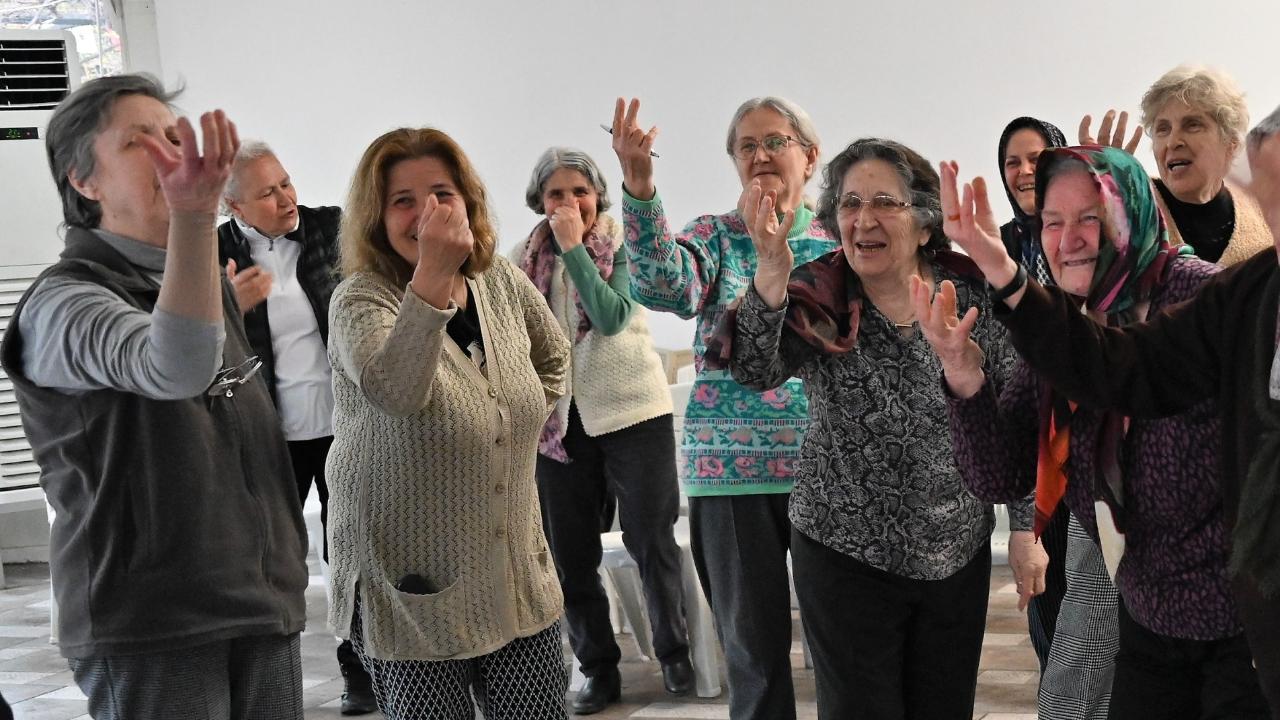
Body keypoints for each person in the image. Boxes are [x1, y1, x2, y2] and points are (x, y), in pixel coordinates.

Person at [930, 104, 1280, 716]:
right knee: (1065, 694)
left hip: (1245, 627)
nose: (1069, 240)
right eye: (1052, 220)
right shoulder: (1056, 327)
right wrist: (963, 374)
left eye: (1090, 218)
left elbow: (1124, 366)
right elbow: (1000, 474)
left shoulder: (1199, 295)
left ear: (1130, 215)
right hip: (1144, 610)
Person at [0, 74, 309, 719]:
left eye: (175, 136)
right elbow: (175, 369)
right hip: (153, 623)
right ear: (83, 181)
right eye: (142, 143)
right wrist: (196, 216)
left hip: (258, 600)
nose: (173, 154)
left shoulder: (201, 280)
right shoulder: (64, 301)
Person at [716, 137, 1024, 720]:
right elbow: (754, 370)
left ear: (927, 224)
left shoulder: (973, 295)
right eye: (850, 204)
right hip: (842, 548)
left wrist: (1028, 530)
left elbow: (1015, 413)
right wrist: (771, 271)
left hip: (954, 548)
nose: (863, 219)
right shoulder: (817, 294)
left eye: (885, 202)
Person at [325, 127, 571, 720]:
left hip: (512, 565)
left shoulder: (500, 281)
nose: (425, 213)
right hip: (407, 578)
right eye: (402, 200)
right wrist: (431, 277)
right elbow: (396, 391)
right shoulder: (361, 301)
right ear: (375, 217)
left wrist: (507, 417)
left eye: (442, 193)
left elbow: (555, 356)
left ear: (468, 200)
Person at [611, 96, 837, 720]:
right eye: (747, 146)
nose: (761, 155)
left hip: (829, 470)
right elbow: (661, 286)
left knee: (844, 647)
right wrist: (639, 186)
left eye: (776, 141)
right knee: (753, 652)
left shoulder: (837, 240)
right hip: (729, 475)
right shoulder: (715, 235)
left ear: (809, 155)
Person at [512, 147, 691, 714]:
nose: (569, 203)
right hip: (558, 426)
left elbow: (611, 317)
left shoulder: (624, 244)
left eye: (579, 191)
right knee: (570, 554)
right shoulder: (521, 261)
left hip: (633, 413)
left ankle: (674, 650)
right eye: (556, 194)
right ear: (539, 201)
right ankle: (598, 668)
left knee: (649, 538)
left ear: (598, 195)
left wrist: (574, 250)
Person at [216, 143, 375, 715]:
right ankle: (261, 679)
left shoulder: (335, 230)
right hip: (266, 433)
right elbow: (193, 343)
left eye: (286, 183)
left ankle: (363, 672)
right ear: (232, 202)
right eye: (267, 192)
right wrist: (225, 306)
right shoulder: (212, 255)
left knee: (351, 552)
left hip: (345, 425)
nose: (286, 198)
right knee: (270, 556)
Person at [995, 116, 1074, 678]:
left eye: (1036, 157)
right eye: (1011, 162)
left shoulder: (1088, 233)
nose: (1024, 171)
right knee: (1048, 602)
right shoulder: (998, 248)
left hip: (1094, 439)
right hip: (1033, 445)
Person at [1080, 66, 1271, 265]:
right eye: (1163, 129)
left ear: (1231, 143)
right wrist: (1098, 196)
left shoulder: (1265, 215)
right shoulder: (1128, 199)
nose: (1173, 142)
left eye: (1192, 125)